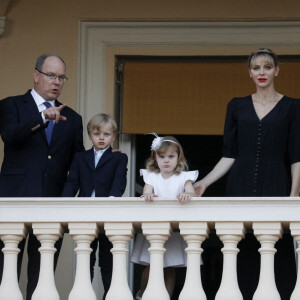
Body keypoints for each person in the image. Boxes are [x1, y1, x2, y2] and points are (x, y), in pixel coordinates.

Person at [194, 48, 300, 300]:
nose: (261, 72)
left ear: (276, 70)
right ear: (249, 73)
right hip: (239, 183)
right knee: (239, 247)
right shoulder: (236, 105)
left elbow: (297, 156)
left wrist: (293, 196)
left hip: (277, 184)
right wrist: (204, 183)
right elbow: (229, 155)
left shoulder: (293, 107)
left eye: (266, 67)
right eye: (256, 68)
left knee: (277, 246)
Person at [0, 54, 84, 299]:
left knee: (41, 277)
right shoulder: (11, 105)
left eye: (61, 77)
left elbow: (76, 165)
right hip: (13, 199)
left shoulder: (73, 119)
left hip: (51, 204)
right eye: (51, 75)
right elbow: (10, 135)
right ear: (36, 75)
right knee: (6, 273)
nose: (56, 82)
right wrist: (41, 118)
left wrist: (101, 156)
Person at [62, 113, 128, 299]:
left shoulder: (119, 158)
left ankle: (109, 295)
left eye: (106, 134)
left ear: (113, 137)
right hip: (85, 214)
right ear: (90, 135)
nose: (101, 138)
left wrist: (112, 201)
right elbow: (72, 182)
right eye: (97, 133)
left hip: (108, 214)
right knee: (86, 260)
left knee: (107, 262)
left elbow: (119, 183)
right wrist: (63, 203)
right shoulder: (81, 157)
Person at [130, 134, 199, 300]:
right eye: (162, 157)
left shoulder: (184, 177)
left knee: (169, 267)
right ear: (155, 157)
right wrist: (147, 196)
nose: (166, 160)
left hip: (174, 229)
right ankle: (141, 293)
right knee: (153, 264)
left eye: (171, 156)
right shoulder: (151, 176)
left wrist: (187, 195)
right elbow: (147, 192)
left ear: (178, 157)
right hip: (156, 227)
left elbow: (193, 194)